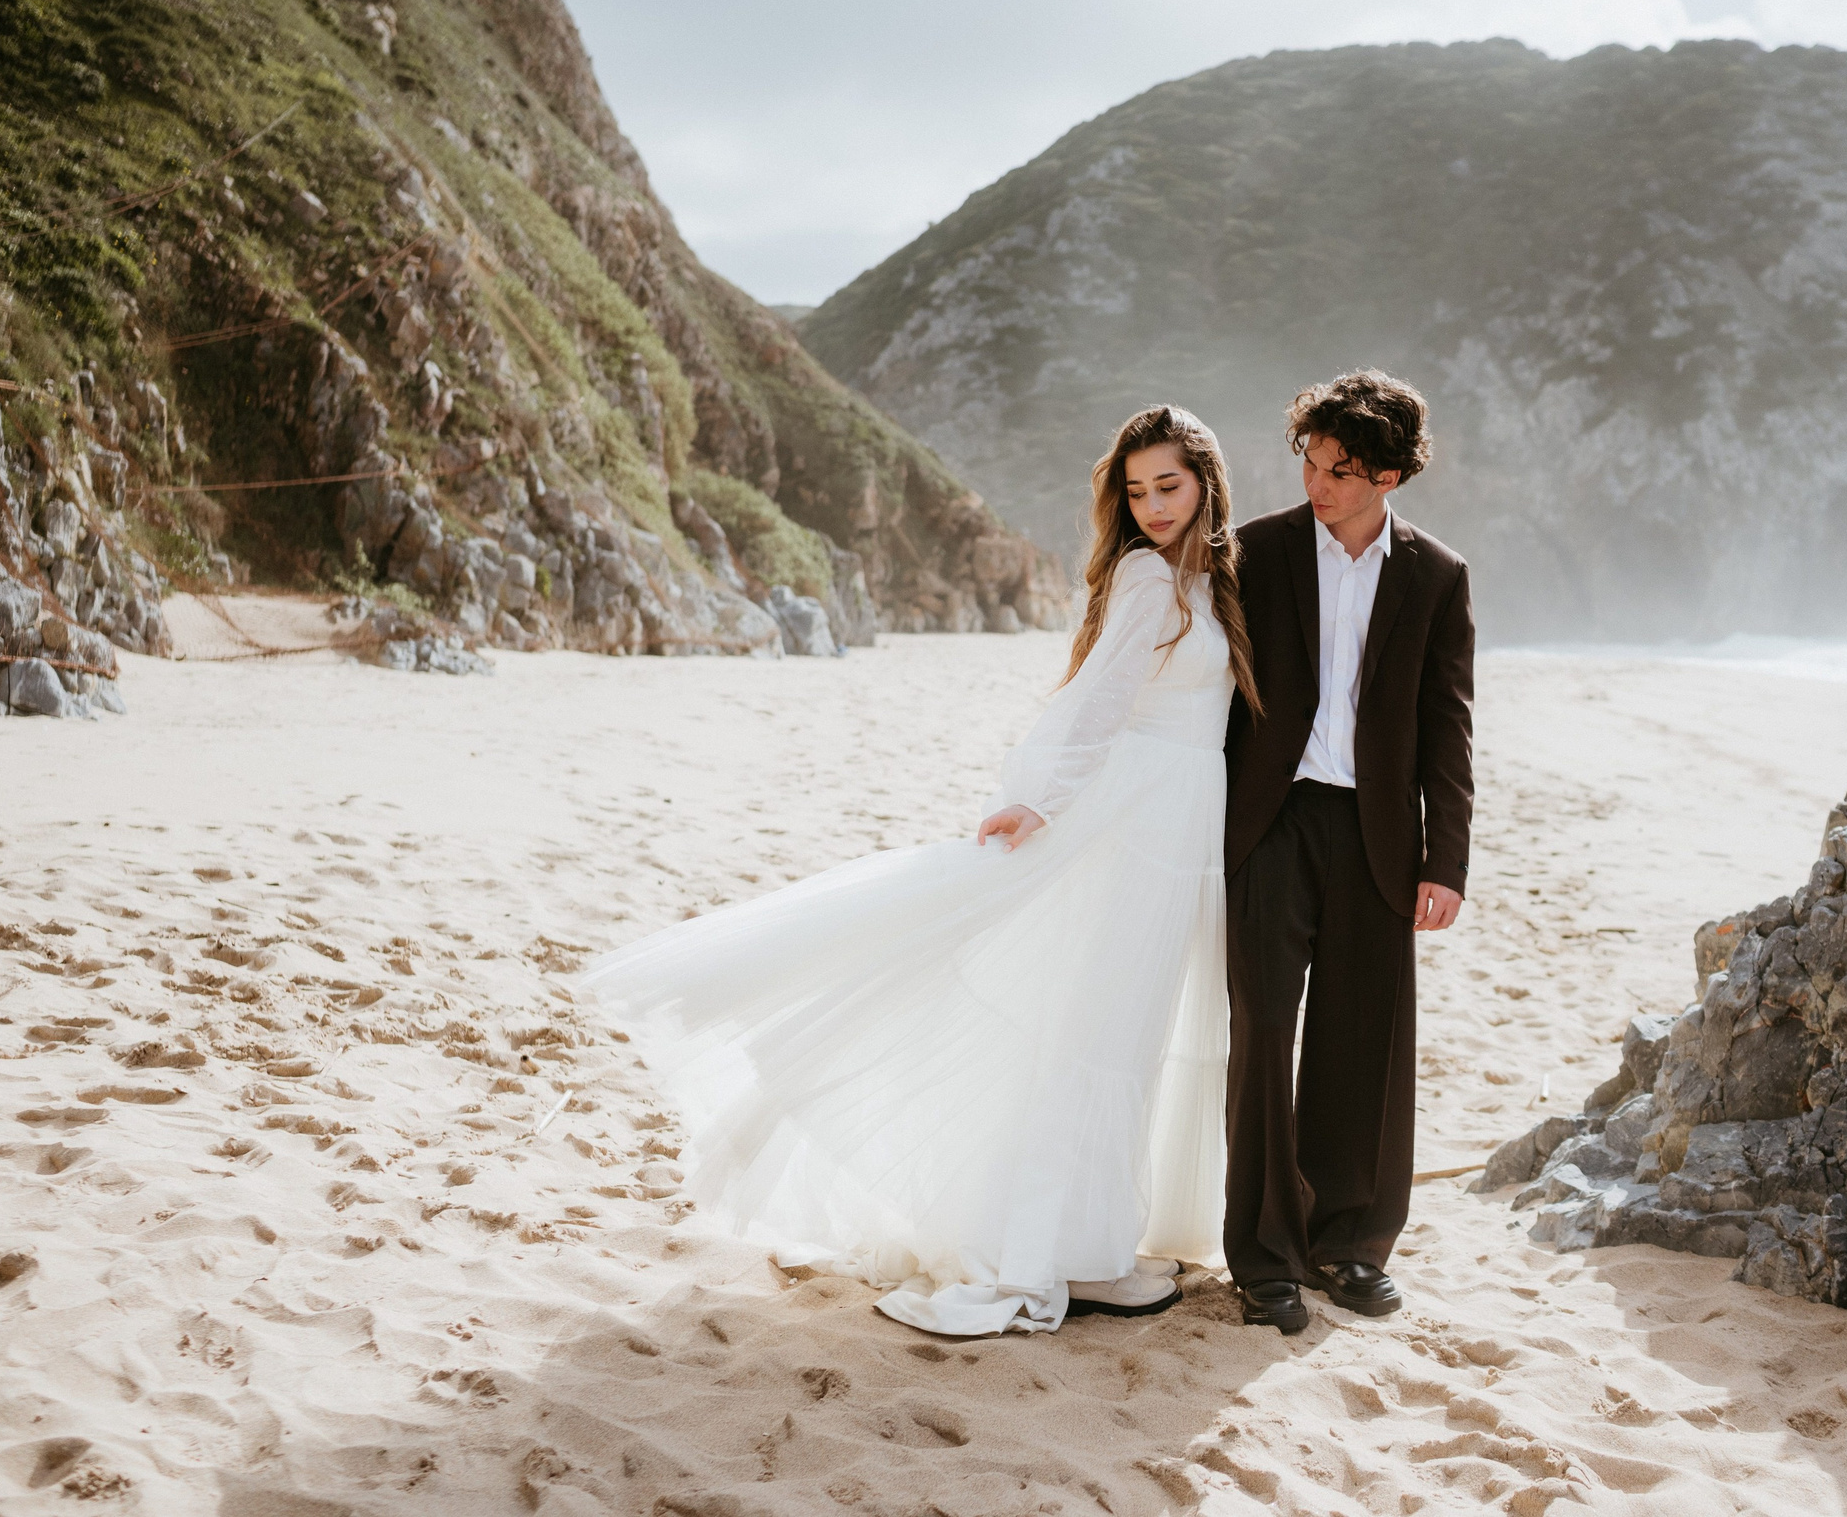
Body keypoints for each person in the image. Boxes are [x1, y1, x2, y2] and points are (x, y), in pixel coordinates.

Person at [589, 405, 1260, 1335]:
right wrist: (1041, 796)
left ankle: (1090, 1239)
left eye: (1168, 486)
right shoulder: (1150, 579)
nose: (1150, 506)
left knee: (1123, 1034)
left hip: (1178, 823)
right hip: (1136, 818)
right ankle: (1066, 1253)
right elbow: (1098, 701)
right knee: (1101, 1036)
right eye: (1137, 489)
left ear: (1207, 483)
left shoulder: (1209, 579)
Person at [1221, 369, 1475, 1334]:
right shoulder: (1256, 552)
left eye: (1341, 470)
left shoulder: (1437, 575)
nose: (1317, 483)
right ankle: (1264, 1258)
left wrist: (1444, 860)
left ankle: (1348, 1243)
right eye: (1311, 462)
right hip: (1270, 822)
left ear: (1389, 478)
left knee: (1360, 1045)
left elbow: (1446, 728)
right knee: (1262, 1041)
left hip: (1378, 836)